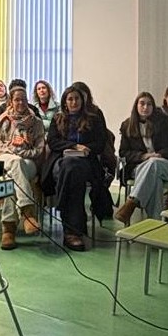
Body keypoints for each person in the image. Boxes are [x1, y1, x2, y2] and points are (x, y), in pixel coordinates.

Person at [41, 85, 110, 251]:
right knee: (70, 168)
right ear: (65, 102)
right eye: (70, 99)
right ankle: (74, 229)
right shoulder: (57, 118)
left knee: (73, 170)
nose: (73, 102)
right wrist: (74, 146)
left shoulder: (93, 118)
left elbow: (100, 143)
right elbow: (53, 141)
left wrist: (85, 149)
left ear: (82, 100)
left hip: (86, 161)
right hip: (61, 160)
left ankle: (69, 225)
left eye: (76, 98)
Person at [115, 91, 168, 224]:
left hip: (165, 165)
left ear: (153, 107)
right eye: (142, 103)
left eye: (149, 104)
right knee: (155, 179)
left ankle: (132, 202)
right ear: (136, 106)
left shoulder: (163, 121)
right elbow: (124, 152)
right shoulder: (127, 125)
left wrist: (159, 154)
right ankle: (155, 223)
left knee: (154, 163)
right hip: (139, 167)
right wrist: (143, 156)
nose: (145, 107)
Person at [0, 85, 44, 249]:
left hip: (28, 162)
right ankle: (27, 213)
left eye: (23, 99)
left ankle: (8, 229)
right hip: (5, 159)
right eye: (17, 99)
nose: (20, 102)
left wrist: (23, 153)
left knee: (10, 179)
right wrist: (14, 151)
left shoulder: (36, 122)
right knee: (14, 163)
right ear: (11, 101)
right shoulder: (3, 120)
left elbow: (39, 149)